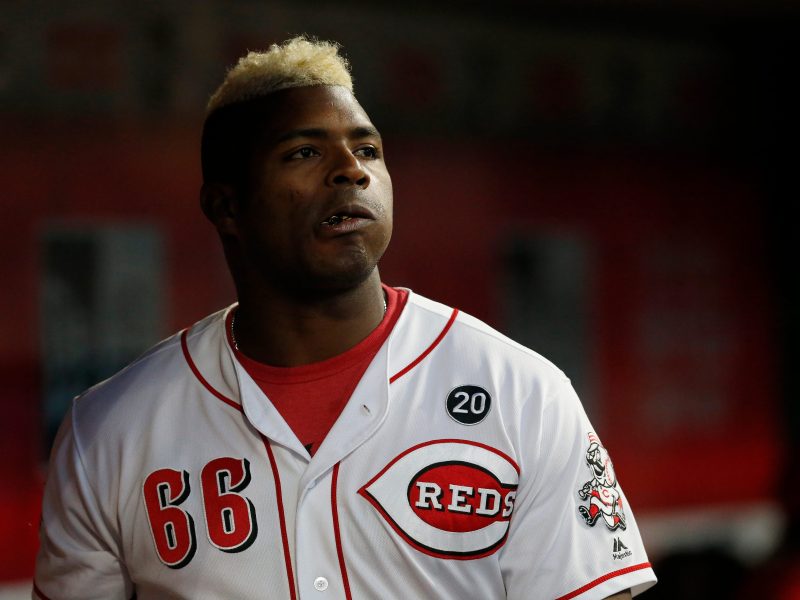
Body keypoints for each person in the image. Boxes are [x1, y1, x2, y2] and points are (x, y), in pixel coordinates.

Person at [33, 36, 657, 599]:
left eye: (367, 149)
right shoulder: (109, 429)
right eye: (304, 151)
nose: (352, 170)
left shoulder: (522, 392)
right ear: (226, 206)